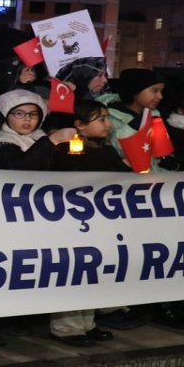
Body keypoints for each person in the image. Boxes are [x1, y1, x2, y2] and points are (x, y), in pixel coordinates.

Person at [45, 99, 126, 345]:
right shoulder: (63, 152)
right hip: (72, 223)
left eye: (107, 118)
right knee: (72, 271)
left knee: (92, 271)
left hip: (100, 223)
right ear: (79, 125)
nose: (108, 124)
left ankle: (87, 323)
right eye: (101, 119)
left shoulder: (108, 151)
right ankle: (66, 327)